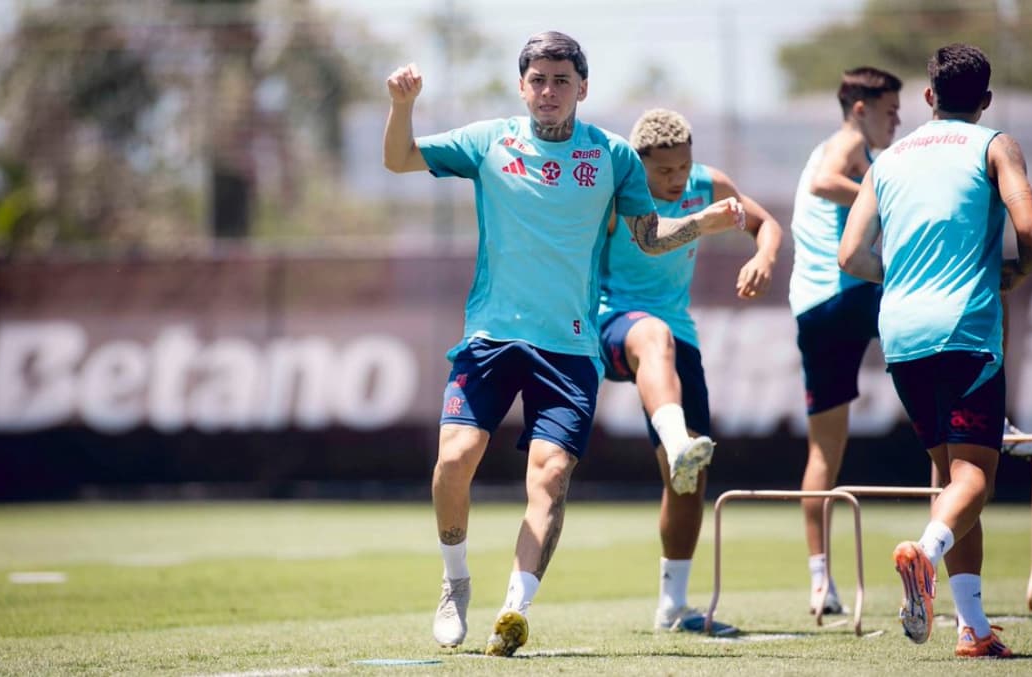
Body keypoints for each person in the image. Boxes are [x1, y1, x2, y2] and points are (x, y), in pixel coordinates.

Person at [382, 31, 745, 657]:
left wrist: (703, 224)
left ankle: (512, 610)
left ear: (583, 87)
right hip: (491, 339)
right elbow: (399, 159)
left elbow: (649, 237)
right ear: (522, 87)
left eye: (561, 80)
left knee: (548, 478)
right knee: (453, 462)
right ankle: (455, 579)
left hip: (571, 352)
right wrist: (402, 105)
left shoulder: (612, 156)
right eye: (538, 80)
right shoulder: (488, 140)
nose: (548, 91)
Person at [838, 43, 1032, 658]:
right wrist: (1016, 270)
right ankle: (925, 556)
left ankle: (973, 629)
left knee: (949, 477)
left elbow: (849, 255)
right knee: (977, 476)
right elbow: (1031, 228)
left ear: (928, 97)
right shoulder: (994, 144)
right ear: (984, 101)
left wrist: (902, 276)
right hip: (965, 329)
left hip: (900, 334)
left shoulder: (889, 158)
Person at [597, 108, 782, 634]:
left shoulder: (708, 184)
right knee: (651, 334)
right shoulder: (620, 194)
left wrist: (763, 258)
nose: (678, 180)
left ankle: (673, 608)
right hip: (611, 319)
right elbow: (650, 237)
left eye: (684, 167)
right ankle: (676, 436)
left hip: (678, 331)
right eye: (665, 173)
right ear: (639, 166)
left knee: (688, 480)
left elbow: (767, 224)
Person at [787, 66, 902, 615]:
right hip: (851, 295)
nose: (897, 121)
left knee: (824, 451)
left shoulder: (841, 146)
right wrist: (889, 205)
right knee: (946, 309)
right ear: (861, 109)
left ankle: (819, 581)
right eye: (890, 111)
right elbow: (825, 183)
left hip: (814, 308)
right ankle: (981, 416)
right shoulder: (848, 145)